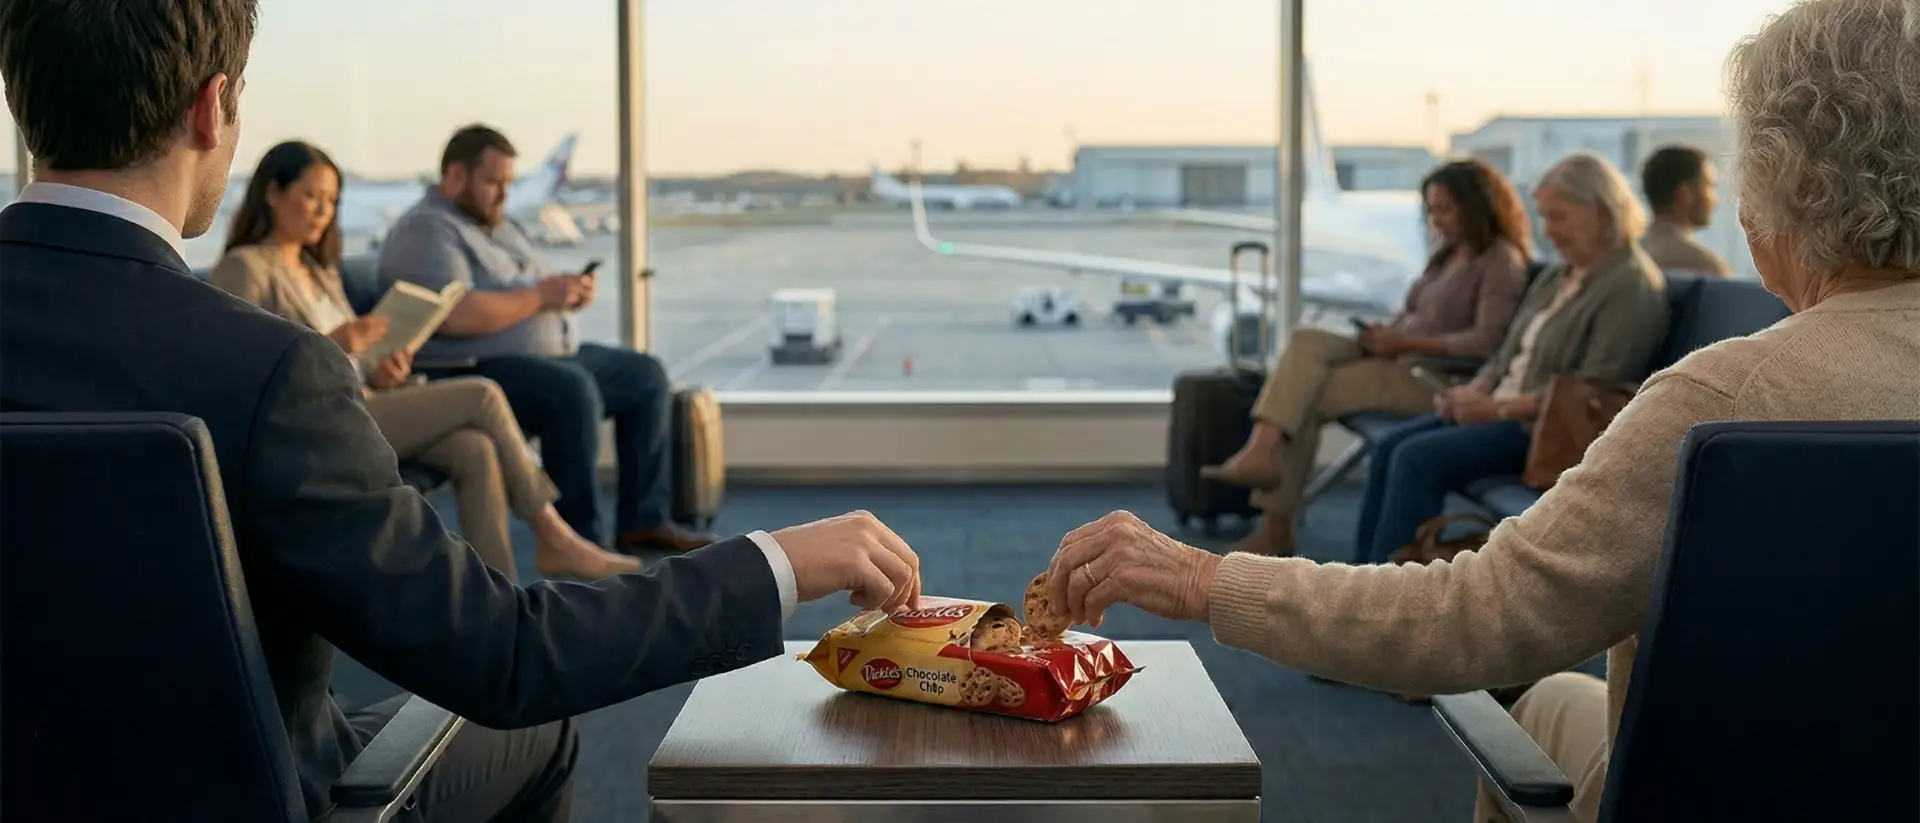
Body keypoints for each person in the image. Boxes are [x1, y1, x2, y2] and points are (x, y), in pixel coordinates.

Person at [0, 3, 923, 821]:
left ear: (19, 98)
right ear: (213, 108)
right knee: (540, 732)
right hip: (241, 786)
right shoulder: (266, 371)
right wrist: (772, 564)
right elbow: (504, 658)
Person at [1041, 2, 1920, 821]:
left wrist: (1204, 580)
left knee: (1534, 701)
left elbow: (1476, 616)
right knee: (1552, 700)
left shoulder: (1727, 405)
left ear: (1786, 184)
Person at [211, 140, 642, 582]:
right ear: (272, 192)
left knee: (475, 448)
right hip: (313, 423)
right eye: (310, 196)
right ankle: (553, 533)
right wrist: (335, 343)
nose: (323, 211)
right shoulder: (245, 268)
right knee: (484, 395)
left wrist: (379, 368)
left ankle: (499, 600)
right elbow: (246, 376)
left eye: (331, 201)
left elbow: (346, 363)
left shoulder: (318, 270)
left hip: (363, 401)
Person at [376, 125, 704, 555]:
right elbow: (455, 315)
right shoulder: (428, 230)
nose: (503, 194)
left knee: (644, 374)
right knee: (571, 392)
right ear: (455, 176)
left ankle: (642, 520)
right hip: (471, 367)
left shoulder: (498, 224)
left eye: (508, 183)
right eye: (493, 182)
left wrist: (564, 293)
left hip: (544, 354)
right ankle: (579, 541)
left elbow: (527, 289)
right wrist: (540, 297)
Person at [1336, 150, 1670, 565]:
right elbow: (1507, 352)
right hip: (1501, 408)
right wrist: (1474, 390)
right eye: (1545, 218)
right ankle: (1362, 579)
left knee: (1414, 458)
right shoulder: (1557, 274)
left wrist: (1494, 408)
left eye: (1560, 217)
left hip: (1538, 427)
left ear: (1602, 212)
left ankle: (1388, 600)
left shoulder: (1630, 287)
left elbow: (1592, 394)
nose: (1550, 232)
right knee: (1389, 447)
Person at [1200, 158, 1533, 555]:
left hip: (1435, 379)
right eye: (1430, 210)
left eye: (1444, 208)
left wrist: (1407, 344)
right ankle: (1262, 449)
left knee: (1308, 395)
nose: (1435, 219)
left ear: (1477, 205)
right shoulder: (1446, 257)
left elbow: (1486, 342)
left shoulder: (1499, 261)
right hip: (1399, 355)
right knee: (1307, 340)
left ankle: (1274, 522)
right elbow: (1415, 314)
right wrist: (1386, 334)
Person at [1638, 144, 1732, 277]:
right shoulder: (1705, 266)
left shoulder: (1625, 256)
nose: (1715, 200)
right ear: (1686, 194)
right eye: (1710, 186)